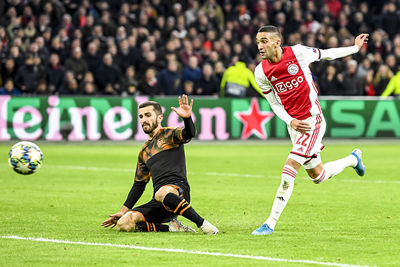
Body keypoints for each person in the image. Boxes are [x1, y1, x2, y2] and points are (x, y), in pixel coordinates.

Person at [252, 25, 367, 235]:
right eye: (258, 41)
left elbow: (327, 54)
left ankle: (270, 223)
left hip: (313, 121)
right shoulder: (261, 72)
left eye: (264, 40)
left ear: (277, 42)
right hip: (295, 126)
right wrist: (290, 121)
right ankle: (353, 159)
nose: (260, 45)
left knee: (289, 170)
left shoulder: (297, 52)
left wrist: (355, 48)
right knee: (318, 175)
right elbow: (274, 104)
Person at [102, 95, 219, 235]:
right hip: (158, 201)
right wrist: (122, 212)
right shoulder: (144, 152)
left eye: (148, 115)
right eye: (140, 116)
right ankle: (172, 227)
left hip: (179, 191)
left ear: (159, 118)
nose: (143, 120)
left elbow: (189, 134)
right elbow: (138, 185)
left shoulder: (170, 134)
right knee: (124, 224)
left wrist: (187, 118)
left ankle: (203, 224)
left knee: (162, 192)